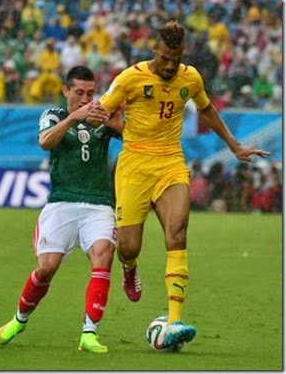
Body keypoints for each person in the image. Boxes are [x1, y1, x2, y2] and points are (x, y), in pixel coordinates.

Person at [96, 21, 270, 350]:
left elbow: (207, 110)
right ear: (154, 51)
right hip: (133, 166)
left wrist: (234, 145)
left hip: (171, 163)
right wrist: (109, 123)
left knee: (177, 234)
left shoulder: (190, 78)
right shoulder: (130, 78)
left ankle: (175, 319)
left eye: (175, 60)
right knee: (129, 246)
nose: (169, 66)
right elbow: (103, 110)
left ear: (182, 54)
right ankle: (130, 268)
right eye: (164, 59)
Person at [0, 65, 122, 353]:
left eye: (90, 93)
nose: (86, 99)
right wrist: (75, 118)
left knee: (103, 257)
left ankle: (89, 333)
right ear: (66, 91)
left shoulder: (104, 114)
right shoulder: (54, 115)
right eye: (79, 93)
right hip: (61, 202)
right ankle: (19, 320)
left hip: (98, 203)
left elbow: (132, 135)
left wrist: (115, 121)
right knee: (46, 268)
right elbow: (45, 141)